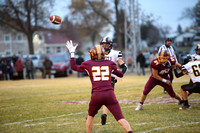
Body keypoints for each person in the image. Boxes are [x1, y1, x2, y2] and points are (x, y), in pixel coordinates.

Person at [66, 40, 133, 133]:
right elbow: (121, 74)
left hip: (96, 95)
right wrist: (113, 72)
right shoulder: (110, 63)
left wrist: (72, 53)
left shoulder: (88, 64)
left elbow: (73, 66)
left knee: (90, 116)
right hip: (109, 94)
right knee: (120, 118)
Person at [100, 36, 128, 125]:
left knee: (105, 98)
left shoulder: (115, 53)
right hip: (99, 77)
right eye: (103, 44)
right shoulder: (98, 53)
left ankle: (102, 114)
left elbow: (124, 66)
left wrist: (119, 75)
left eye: (106, 44)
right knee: (97, 97)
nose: (104, 46)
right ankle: (94, 114)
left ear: (110, 45)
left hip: (110, 78)